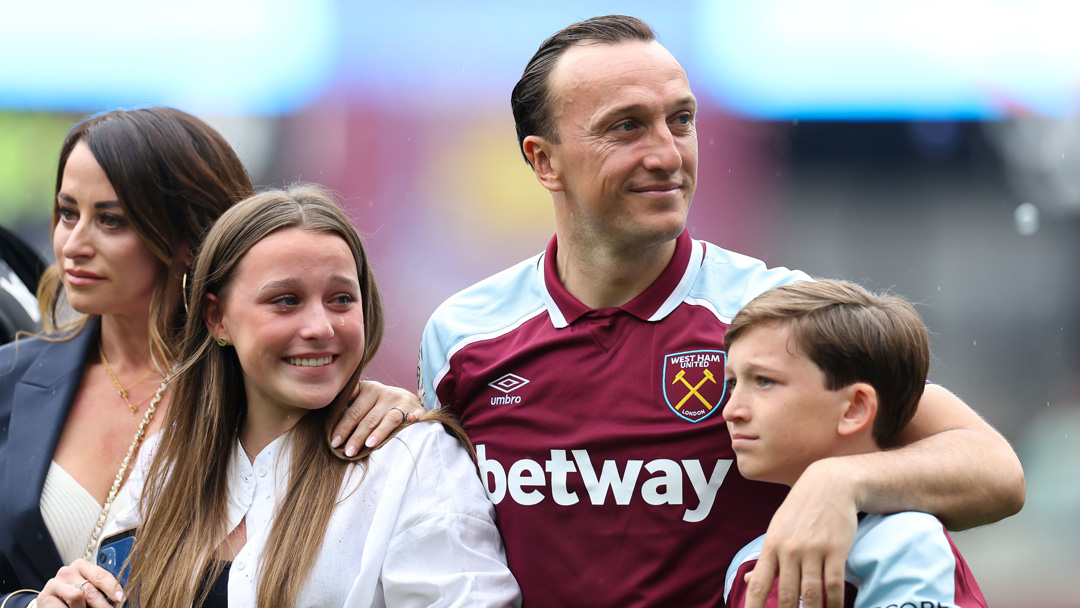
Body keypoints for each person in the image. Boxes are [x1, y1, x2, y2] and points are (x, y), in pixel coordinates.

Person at [415, 15, 1024, 608]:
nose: (666, 154)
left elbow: (993, 469)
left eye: (680, 120)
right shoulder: (462, 335)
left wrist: (841, 480)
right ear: (544, 161)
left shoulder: (773, 316)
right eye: (626, 128)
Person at [0, 109, 422, 608]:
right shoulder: (11, 378)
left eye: (111, 220)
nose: (73, 243)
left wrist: (388, 405)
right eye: (67, 213)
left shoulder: (266, 381)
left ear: (189, 239)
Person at [37, 186, 520, 608]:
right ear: (217, 317)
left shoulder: (413, 460)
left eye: (341, 299)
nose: (320, 327)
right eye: (285, 300)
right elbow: (106, 584)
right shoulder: (170, 458)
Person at [721, 280, 987, 608]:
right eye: (732, 382)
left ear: (854, 408)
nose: (732, 410)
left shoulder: (906, 541)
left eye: (764, 381)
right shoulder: (748, 563)